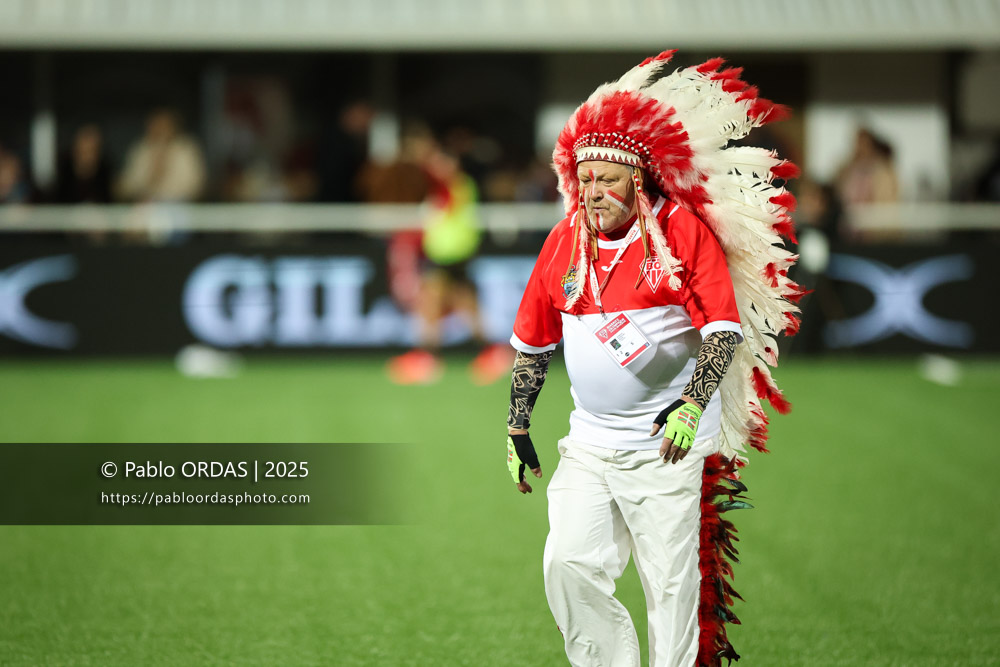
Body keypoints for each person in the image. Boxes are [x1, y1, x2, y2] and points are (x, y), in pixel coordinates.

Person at [504, 51, 802, 666]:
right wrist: (517, 424)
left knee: (670, 588)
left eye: (606, 180)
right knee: (567, 563)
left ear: (636, 180)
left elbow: (722, 331)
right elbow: (534, 342)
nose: (593, 193)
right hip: (587, 443)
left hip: (666, 443)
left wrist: (691, 408)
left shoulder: (679, 232)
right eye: (585, 180)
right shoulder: (564, 240)